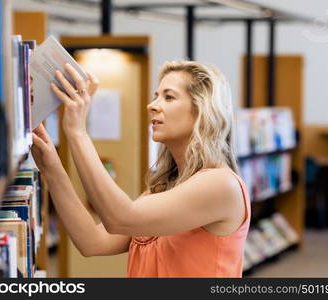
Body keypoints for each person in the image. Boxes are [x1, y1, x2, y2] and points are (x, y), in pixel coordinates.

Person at [31, 60, 250, 278]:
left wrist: (77, 131)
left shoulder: (221, 185)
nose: (152, 105)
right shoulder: (164, 186)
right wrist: (51, 167)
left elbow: (121, 218)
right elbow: (92, 242)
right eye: (156, 95)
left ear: (201, 110)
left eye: (169, 97)